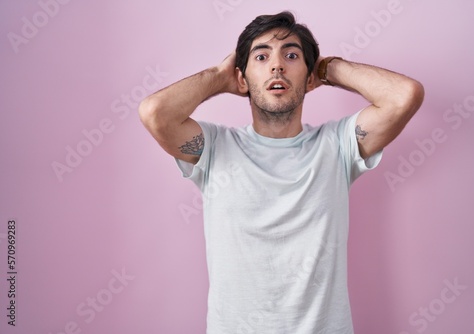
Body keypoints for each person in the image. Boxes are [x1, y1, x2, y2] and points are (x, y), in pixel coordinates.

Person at [139, 11, 424, 334]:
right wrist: (220, 75)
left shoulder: (338, 145)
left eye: (291, 55)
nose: (277, 65)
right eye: (261, 56)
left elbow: (404, 96)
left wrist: (327, 67)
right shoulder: (215, 148)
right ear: (242, 79)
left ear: (310, 78)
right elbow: (155, 112)